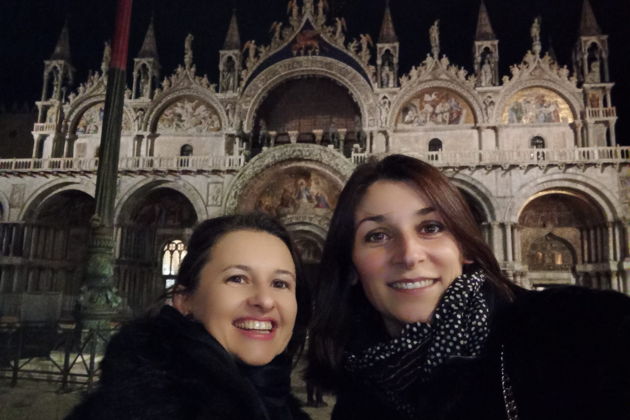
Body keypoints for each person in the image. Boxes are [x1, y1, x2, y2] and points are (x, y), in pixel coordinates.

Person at [306, 154, 630, 420]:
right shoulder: (359, 394)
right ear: (350, 265)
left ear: (465, 248)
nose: (409, 255)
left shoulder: (578, 335)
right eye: (377, 235)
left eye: (431, 227)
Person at [67, 213, 311, 420]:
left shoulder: (277, 404)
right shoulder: (132, 410)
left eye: (280, 283)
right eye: (237, 278)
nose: (265, 300)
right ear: (184, 299)